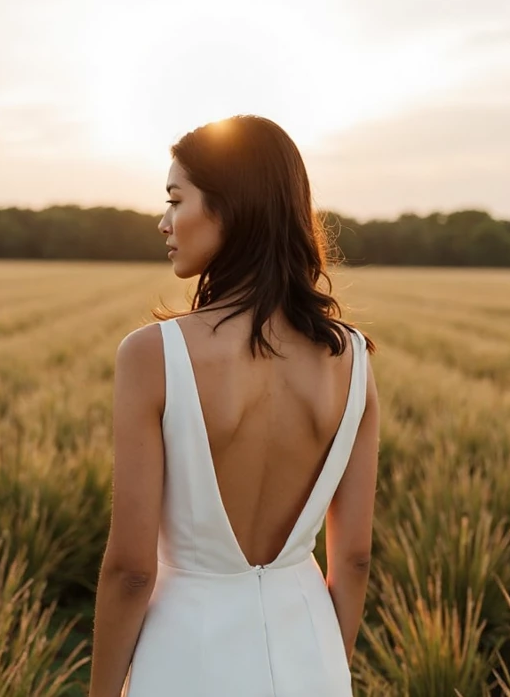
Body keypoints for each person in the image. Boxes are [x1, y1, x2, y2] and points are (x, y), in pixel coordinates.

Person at [88, 115, 380, 697]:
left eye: (176, 199)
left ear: (230, 209)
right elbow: (353, 560)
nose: (164, 221)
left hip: (187, 657)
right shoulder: (353, 358)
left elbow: (131, 570)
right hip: (312, 656)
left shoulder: (154, 355)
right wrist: (326, 666)